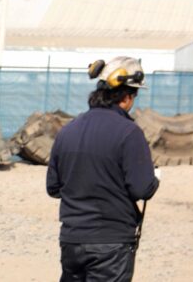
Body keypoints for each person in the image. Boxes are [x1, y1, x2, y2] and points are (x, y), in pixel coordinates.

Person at [47, 56, 160, 282]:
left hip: (72, 241)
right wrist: (155, 178)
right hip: (111, 243)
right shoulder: (129, 133)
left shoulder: (68, 131)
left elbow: (53, 187)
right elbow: (142, 189)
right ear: (127, 97)